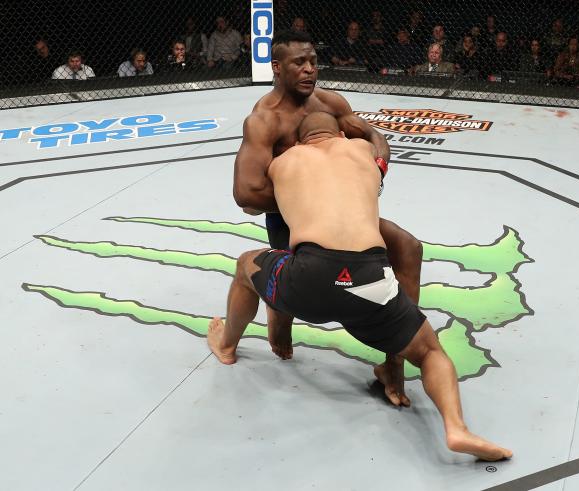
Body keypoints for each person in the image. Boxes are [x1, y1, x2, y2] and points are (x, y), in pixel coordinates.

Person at [208, 111, 513, 462]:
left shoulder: (285, 160)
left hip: (310, 277)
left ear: (297, 141)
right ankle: (456, 428)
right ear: (339, 133)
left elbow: (247, 201)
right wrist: (362, 130)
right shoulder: (364, 153)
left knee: (246, 265)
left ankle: (227, 345)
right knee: (431, 352)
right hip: (371, 277)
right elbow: (379, 143)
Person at [232, 30, 424, 407]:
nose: (309, 70)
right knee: (285, 310)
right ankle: (278, 322)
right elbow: (246, 193)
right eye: (299, 63)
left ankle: (394, 364)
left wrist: (376, 170)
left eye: (313, 62)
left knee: (408, 247)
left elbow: (373, 135)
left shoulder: (330, 103)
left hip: (344, 211)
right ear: (276, 67)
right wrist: (302, 197)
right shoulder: (264, 120)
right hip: (291, 219)